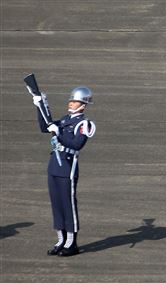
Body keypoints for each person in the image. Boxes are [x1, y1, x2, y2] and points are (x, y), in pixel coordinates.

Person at [32, 86, 96, 257]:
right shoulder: (65, 119)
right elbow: (45, 127)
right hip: (54, 166)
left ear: (83, 105)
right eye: (71, 100)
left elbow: (76, 144)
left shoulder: (84, 124)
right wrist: (40, 106)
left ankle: (72, 243)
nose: (71, 103)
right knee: (57, 205)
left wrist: (59, 133)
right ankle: (61, 240)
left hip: (68, 167)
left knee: (68, 206)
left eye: (75, 101)